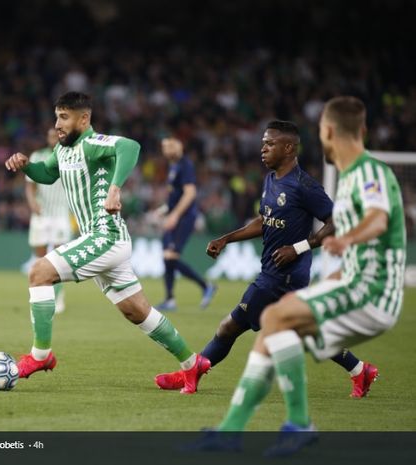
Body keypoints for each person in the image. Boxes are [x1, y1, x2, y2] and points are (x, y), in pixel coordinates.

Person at [207, 97, 406, 456]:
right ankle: (344, 383)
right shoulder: (348, 177)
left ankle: (258, 427)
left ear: (327, 132)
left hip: (373, 291)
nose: (263, 148)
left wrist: (336, 241)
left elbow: (377, 221)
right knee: (277, 327)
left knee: (271, 323)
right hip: (355, 282)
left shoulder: (366, 173)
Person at [155, 121, 376, 397]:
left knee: (229, 327)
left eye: (269, 144)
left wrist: (298, 248)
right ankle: (360, 370)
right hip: (277, 272)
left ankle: (190, 374)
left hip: (282, 276)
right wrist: (226, 238)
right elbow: (264, 221)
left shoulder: (304, 186)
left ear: (288, 148)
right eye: (263, 142)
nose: (263, 148)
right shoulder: (271, 179)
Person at [5, 91, 206, 388]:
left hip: (105, 235)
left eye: (64, 117)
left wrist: (115, 187)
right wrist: (25, 166)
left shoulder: (92, 143)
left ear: (83, 119)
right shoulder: (63, 151)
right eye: (56, 116)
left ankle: (41, 355)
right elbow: (46, 175)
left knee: (39, 272)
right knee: (136, 311)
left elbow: (130, 147)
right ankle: (192, 364)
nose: (57, 124)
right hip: (101, 240)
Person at [155, 137, 217, 312]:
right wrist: (165, 208)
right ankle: (170, 299)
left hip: (184, 218)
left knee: (170, 257)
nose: (166, 149)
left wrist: (174, 215)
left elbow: (190, 194)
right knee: (167, 258)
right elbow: (177, 194)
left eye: (170, 145)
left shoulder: (185, 164)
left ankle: (205, 286)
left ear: (180, 146)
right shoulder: (173, 166)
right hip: (174, 216)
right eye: (164, 146)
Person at [25, 128, 72, 313]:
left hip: (61, 212)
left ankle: (58, 295)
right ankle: (42, 293)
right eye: (51, 135)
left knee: (59, 259)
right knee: (40, 257)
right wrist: (31, 203)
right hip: (42, 213)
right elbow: (29, 184)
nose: (54, 138)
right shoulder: (37, 155)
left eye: (57, 135)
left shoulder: (70, 154)